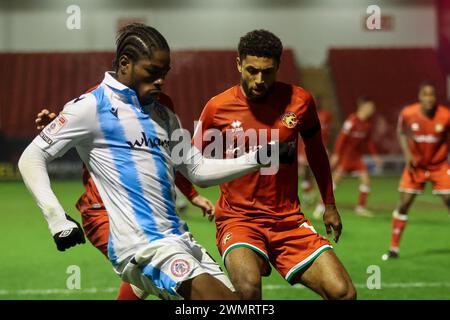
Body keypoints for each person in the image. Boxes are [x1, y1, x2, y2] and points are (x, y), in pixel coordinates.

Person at [18, 23, 286, 300]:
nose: (160, 81)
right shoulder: (91, 106)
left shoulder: (164, 113)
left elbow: (197, 169)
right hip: (142, 247)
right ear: (125, 64)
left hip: (180, 240)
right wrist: (56, 219)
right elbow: (31, 157)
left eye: (164, 73)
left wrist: (259, 156)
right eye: (152, 72)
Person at [194, 29, 356, 300]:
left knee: (343, 293)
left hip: (288, 221)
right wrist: (192, 196)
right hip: (239, 220)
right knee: (247, 290)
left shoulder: (300, 101)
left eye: (267, 72)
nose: (259, 79)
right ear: (238, 64)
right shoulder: (217, 107)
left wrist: (329, 204)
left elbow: (317, 153)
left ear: (278, 67)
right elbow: (192, 161)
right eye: (251, 70)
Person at [35, 106, 215, 300]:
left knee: (149, 271)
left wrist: (193, 195)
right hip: (104, 211)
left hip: (148, 213)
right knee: (177, 284)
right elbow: (56, 143)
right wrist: (60, 128)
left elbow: (169, 159)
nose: (158, 79)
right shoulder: (98, 100)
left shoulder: (161, 107)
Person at [382, 81, 450, 260]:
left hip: (439, 165)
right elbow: (401, 132)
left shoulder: (445, 115)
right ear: (420, 97)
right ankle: (393, 248)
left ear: (436, 98)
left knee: (449, 200)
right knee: (404, 204)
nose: (429, 98)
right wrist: (407, 154)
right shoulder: (408, 113)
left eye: (432, 95)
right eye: (425, 95)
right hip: (416, 167)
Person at [314, 96, 382, 219]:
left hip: (357, 159)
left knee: (366, 181)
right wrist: (337, 154)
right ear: (363, 107)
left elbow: (368, 142)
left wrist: (375, 156)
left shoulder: (367, 124)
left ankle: (360, 208)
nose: (372, 110)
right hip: (345, 158)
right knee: (333, 185)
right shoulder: (352, 121)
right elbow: (341, 138)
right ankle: (319, 208)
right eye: (370, 107)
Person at [298, 95, 333, 206]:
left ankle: (323, 199)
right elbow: (299, 134)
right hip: (305, 148)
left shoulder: (326, 115)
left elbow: (327, 133)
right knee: (306, 173)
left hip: (321, 147)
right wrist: (299, 152)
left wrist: (327, 148)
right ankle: (306, 197)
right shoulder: (303, 113)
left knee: (322, 174)